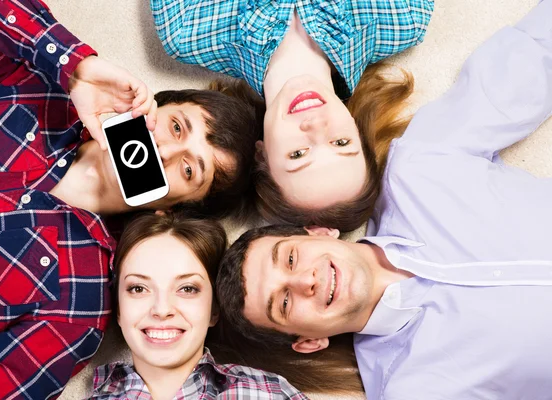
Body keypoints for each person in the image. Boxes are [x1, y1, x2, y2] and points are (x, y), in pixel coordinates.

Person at [215, 0, 552, 398]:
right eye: (284, 303)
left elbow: (531, 59)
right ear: (307, 343)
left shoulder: (418, 169)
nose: (305, 280)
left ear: (320, 232)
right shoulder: (414, 387)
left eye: (290, 258)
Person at [0, 1, 258, 399]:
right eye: (176, 127)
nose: (165, 151)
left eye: (189, 171)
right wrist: (76, 67)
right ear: (153, 107)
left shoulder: (77, 306)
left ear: (173, 209)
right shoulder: (46, 86)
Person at [152, 0, 433, 230]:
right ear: (356, 129)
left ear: (261, 154)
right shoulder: (404, 18)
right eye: (341, 143)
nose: (315, 125)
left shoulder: (187, 30)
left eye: (298, 154)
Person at [89, 212, 308, 400]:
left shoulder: (269, 394)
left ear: (214, 309)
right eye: (138, 288)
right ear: (118, 309)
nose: (162, 309)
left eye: (187, 289)